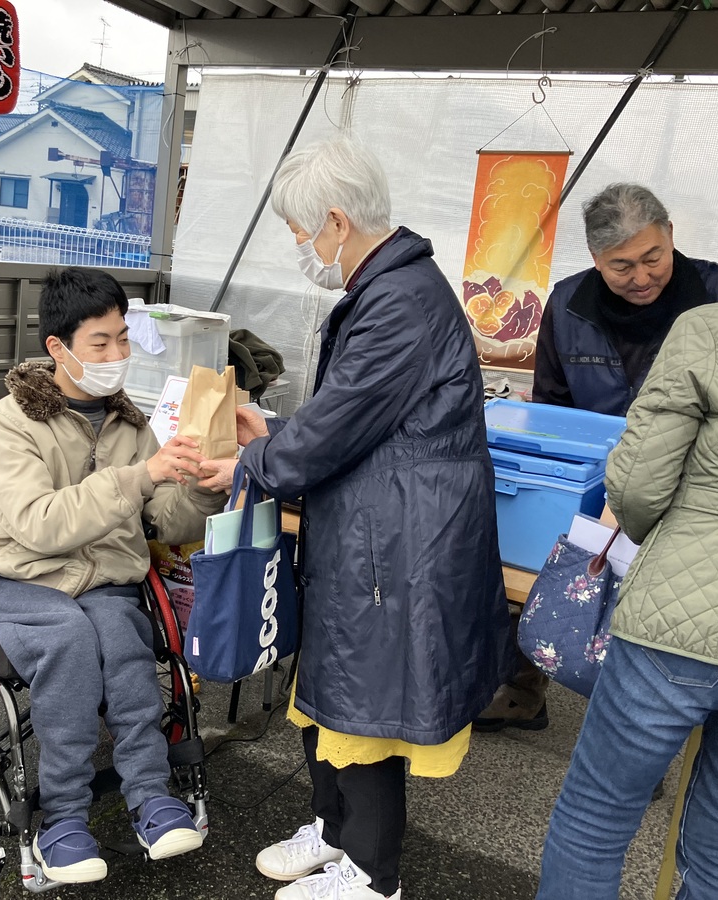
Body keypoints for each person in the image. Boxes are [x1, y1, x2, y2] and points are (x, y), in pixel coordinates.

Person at [199, 137, 511, 900]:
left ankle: (373, 877)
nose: (300, 248)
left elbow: (340, 428)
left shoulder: (398, 300)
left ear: (335, 221)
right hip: (380, 526)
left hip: (396, 540)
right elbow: (362, 420)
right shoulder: (392, 287)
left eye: (299, 233)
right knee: (332, 689)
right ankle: (335, 833)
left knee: (363, 706)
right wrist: (272, 436)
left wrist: (251, 463)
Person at [536, 162, 718, 900]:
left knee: (598, 816)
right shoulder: (575, 305)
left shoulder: (709, 328)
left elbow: (635, 490)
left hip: (685, 624)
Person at [0, 268, 227, 884]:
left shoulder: (130, 424)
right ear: (59, 348)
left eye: (123, 339)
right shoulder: (8, 422)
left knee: (125, 644)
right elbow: (38, 527)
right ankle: (63, 818)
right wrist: (142, 475)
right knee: (71, 645)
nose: (117, 355)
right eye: (100, 343)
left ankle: (152, 796)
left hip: (102, 577)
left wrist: (203, 490)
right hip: (23, 575)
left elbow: (165, 519)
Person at [475, 183, 718, 733]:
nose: (641, 277)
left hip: (690, 485)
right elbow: (550, 405)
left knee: (655, 613)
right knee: (553, 573)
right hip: (588, 481)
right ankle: (523, 690)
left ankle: (643, 729)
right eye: (621, 266)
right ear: (595, 260)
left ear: (670, 238)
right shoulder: (568, 304)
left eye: (652, 258)